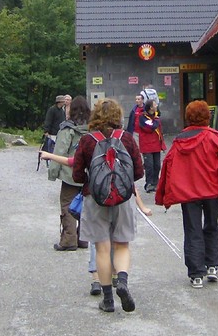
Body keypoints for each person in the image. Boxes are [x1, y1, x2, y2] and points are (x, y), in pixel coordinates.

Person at [70, 98, 144, 313]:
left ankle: (108, 300)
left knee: (102, 249)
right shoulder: (127, 138)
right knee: (122, 245)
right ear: (118, 116)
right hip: (123, 199)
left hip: (95, 199)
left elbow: (77, 175)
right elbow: (138, 171)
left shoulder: (87, 140)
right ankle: (122, 281)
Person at [155, 100, 218, 288]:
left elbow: (168, 165)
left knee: (192, 230)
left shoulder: (179, 141)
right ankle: (212, 265)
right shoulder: (214, 137)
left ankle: (196, 274)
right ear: (207, 116)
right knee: (212, 226)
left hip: (188, 192)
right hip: (212, 190)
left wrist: (164, 193)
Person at [42, 96, 91, 251]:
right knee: (85, 205)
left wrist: (53, 173)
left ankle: (69, 240)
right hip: (89, 175)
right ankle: (83, 238)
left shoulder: (67, 129)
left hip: (71, 174)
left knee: (68, 205)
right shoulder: (93, 129)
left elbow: (60, 151)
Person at [137, 99, 165, 192]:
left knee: (157, 165)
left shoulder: (156, 117)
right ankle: (149, 184)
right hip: (147, 145)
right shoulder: (142, 117)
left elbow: (158, 129)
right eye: (155, 104)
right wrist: (156, 122)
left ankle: (156, 183)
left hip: (156, 144)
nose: (156, 105)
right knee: (149, 165)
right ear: (151, 107)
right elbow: (150, 127)